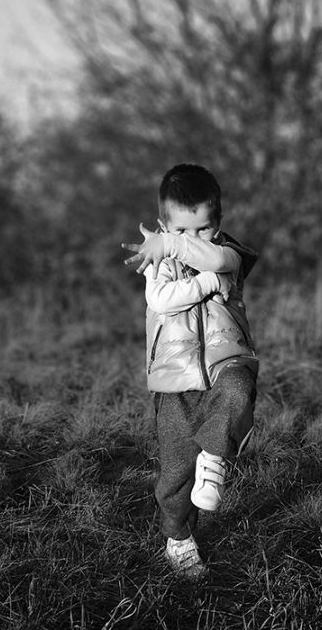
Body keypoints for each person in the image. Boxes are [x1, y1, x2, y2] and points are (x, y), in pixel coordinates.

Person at [122, 163, 258, 579]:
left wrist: (172, 243)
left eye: (203, 229)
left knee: (238, 390)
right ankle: (178, 536)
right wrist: (206, 283)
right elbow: (162, 300)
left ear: (219, 223)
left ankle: (215, 457)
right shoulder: (159, 261)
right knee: (176, 472)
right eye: (181, 230)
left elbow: (214, 259)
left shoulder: (229, 254)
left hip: (225, 362)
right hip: (174, 380)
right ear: (164, 225)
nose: (192, 239)